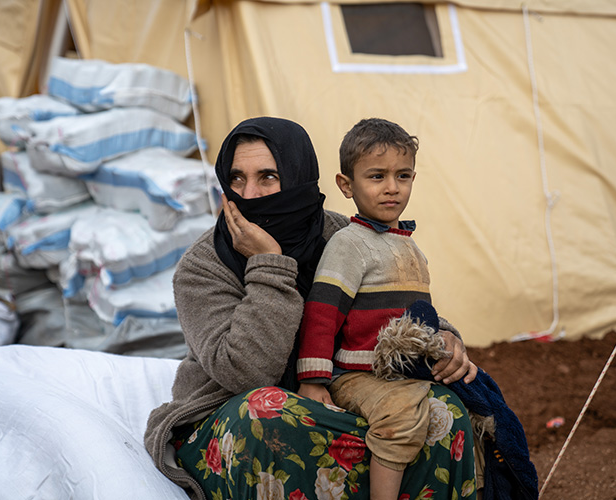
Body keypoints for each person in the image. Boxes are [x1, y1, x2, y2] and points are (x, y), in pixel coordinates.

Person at [144, 116, 478, 500]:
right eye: (237, 179)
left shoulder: (342, 235)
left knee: (442, 410)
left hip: (338, 396)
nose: (249, 194)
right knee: (267, 412)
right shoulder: (203, 266)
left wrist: (444, 337)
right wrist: (269, 263)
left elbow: (391, 300)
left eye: (267, 177)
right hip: (228, 417)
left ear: (299, 177)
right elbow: (247, 374)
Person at [296, 118, 477, 499]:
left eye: (403, 176)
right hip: (359, 372)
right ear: (347, 185)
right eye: (376, 176)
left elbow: (416, 318)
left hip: (401, 369)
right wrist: (313, 378)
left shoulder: (410, 247)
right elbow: (322, 313)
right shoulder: (349, 244)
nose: (392, 188)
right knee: (399, 416)